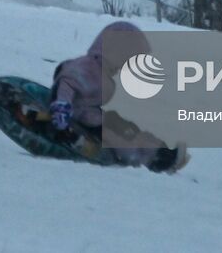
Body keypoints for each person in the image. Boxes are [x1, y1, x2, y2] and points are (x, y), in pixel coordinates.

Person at [48, 22, 187, 173]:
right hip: (80, 120)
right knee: (119, 137)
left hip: (92, 117)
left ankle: (159, 149)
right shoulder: (88, 68)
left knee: (125, 127)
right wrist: (61, 111)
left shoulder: (100, 70)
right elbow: (67, 83)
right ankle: (151, 159)